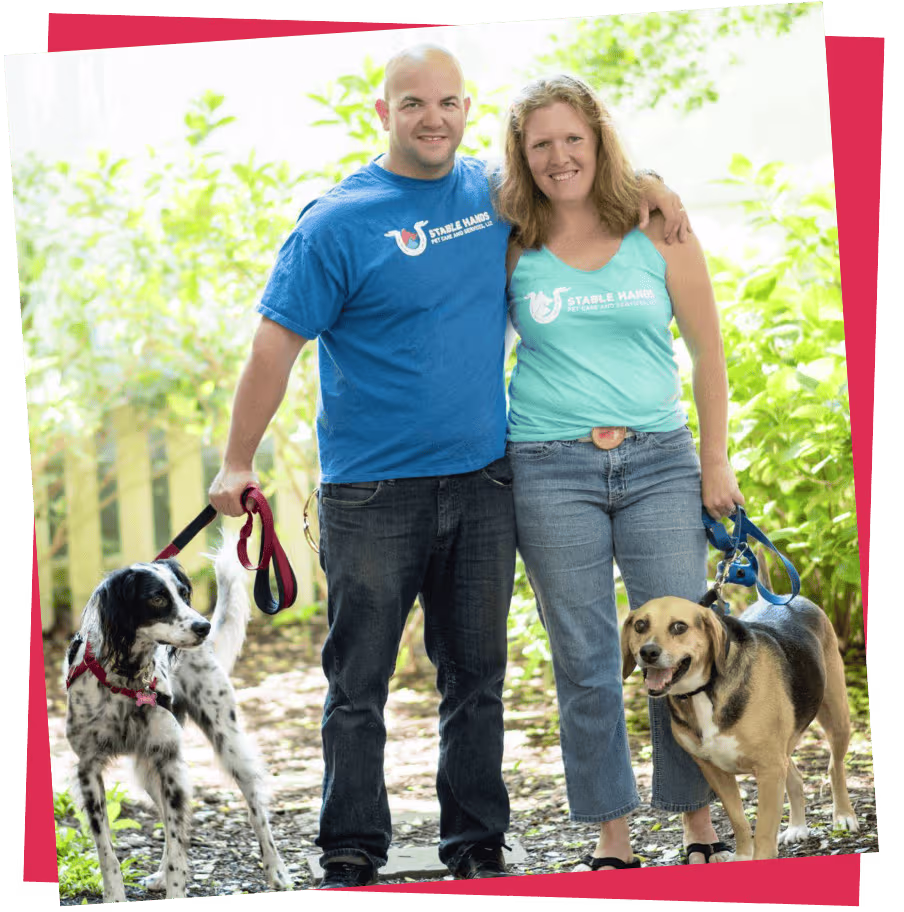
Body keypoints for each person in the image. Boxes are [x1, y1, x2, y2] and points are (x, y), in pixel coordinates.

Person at [208, 46, 690, 889]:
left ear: (468, 109)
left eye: (448, 103)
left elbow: (574, 173)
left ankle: (476, 843)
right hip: (370, 491)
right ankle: (351, 848)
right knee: (357, 684)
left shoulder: (490, 195)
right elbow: (272, 347)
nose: (433, 118)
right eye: (412, 104)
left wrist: (650, 181)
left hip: (484, 480)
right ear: (383, 113)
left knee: (477, 681)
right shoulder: (337, 223)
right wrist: (235, 461)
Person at [494, 74, 745, 871]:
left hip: (659, 462)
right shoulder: (510, 237)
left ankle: (697, 823)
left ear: (599, 141)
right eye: (541, 144)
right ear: (521, 155)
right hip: (548, 465)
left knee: (683, 652)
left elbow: (708, 352)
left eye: (574, 138)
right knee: (587, 661)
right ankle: (612, 838)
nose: (559, 156)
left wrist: (714, 461)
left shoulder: (656, 227)